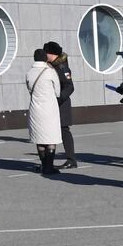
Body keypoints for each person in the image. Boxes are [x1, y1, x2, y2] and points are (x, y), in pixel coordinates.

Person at [25, 48, 63, 176]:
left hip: (35, 108)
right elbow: (57, 91)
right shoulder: (50, 72)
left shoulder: (29, 73)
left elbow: (30, 90)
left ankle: (43, 165)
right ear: (45, 58)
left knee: (39, 138)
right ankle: (49, 167)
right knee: (51, 138)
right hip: (50, 108)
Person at [42, 41, 77, 169]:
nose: (45, 55)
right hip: (53, 103)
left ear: (52, 54)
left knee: (64, 130)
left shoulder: (62, 67)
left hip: (62, 104)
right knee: (51, 131)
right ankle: (48, 162)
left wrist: (59, 98)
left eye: (47, 52)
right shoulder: (51, 66)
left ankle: (71, 159)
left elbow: (70, 86)